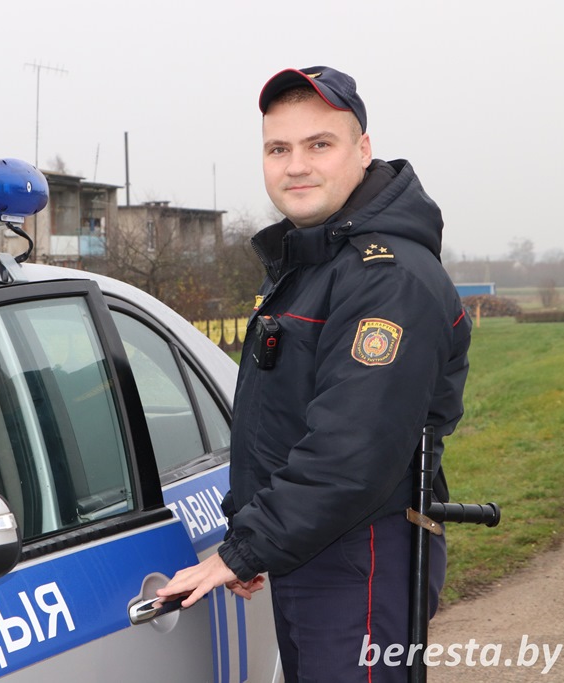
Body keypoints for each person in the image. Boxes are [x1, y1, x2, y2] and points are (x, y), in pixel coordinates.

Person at [156, 66, 471, 682]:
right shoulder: (313, 262)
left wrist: (245, 548)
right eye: (278, 149)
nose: (295, 166)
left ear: (363, 149)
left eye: (318, 144)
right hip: (314, 548)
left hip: (361, 557)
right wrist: (255, 534)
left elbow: (351, 449)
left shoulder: (386, 278)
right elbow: (278, 422)